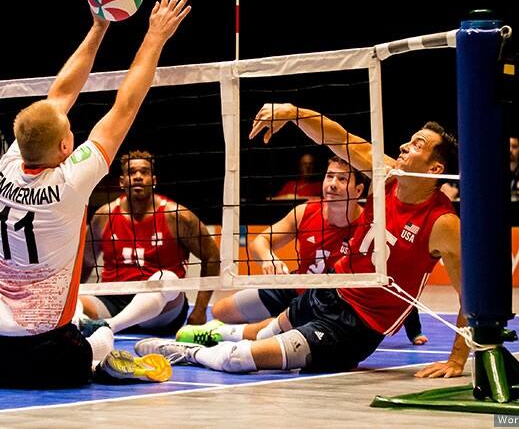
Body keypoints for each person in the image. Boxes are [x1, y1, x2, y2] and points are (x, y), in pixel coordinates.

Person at [137, 103, 467, 379]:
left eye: (418, 144)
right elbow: (341, 140)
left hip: (357, 326)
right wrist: (294, 112)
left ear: (435, 167)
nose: (404, 147)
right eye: (409, 141)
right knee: (263, 333)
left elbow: (470, 294)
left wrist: (457, 359)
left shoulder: (443, 222)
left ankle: (189, 352)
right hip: (330, 288)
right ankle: (216, 333)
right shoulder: (387, 175)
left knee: (239, 361)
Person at [0, 0, 191, 388]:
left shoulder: (4, 167)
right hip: (47, 360)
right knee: (102, 336)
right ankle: (102, 353)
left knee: (20, 332)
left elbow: (59, 95)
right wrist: (154, 38)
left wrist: (98, 27)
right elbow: (125, 106)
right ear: (66, 147)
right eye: (70, 132)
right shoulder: (71, 181)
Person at [213, 156, 429, 345]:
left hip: (332, 304)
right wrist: (268, 259)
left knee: (277, 332)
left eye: (342, 179)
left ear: (359, 190)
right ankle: (257, 325)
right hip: (295, 287)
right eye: (329, 177)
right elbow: (260, 241)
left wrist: (414, 329)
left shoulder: (369, 225)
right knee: (219, 311)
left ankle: (252, 331)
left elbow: (396, 277)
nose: (332, 184)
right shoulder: (305, 212)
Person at [81, 149, 220, 335]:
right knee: (74, 300)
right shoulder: (104, 216)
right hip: (113, 302)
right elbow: (86, 263)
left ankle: (109, 327)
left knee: (167, 279)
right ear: (122, 182)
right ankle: (94, 325)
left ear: (153, 180)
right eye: (132, 172)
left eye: (144, 172)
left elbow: (212, 256)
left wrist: (200, 310)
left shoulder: (177, 216)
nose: (138, 177)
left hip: (161, 309)